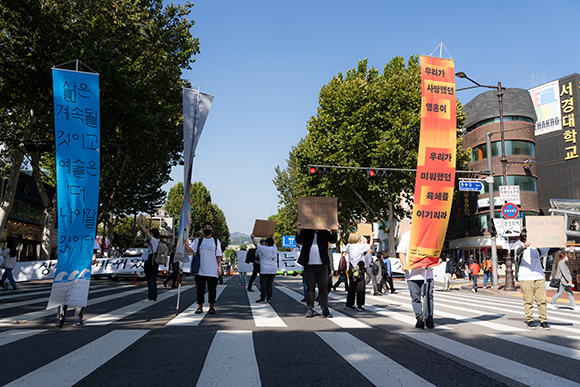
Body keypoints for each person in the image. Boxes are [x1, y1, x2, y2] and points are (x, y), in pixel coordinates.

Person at [397, 230, 439, 329]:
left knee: (429, 295)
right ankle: (419, 317)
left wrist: (437, 259)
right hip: (412, 273)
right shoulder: (407, 235)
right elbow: (401, 252)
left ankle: (429, 318)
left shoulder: (429, 234)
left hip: (427, 272)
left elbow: (435, 251)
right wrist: (404, 265)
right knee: (415, 296)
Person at [295, 221, 338, 318]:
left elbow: (333, 240)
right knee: (310, 287)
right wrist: (298, 228)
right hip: (309, 264)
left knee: (323, 287)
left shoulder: (324, 232)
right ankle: (310, 308)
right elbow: (298, 240)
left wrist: (335, 229)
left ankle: (325, 309)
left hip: (322, 264)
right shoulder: (306, 231)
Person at [56, 239, 99, 328]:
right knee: (64, 293)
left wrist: (94, 258)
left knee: (80, 292)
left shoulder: (89, 236)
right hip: (68, 266)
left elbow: (93, 250)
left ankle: (78, 317)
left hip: (83, 268)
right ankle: (60, 316)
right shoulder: (69, 234)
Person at [515, 230, 550, 330]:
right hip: (525, 278)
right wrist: (525, 246)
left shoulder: (537, 248)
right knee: (528, 300)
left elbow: (548, 251)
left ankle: (543, 321)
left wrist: (560, 247)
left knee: (542, 300)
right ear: (525, 237)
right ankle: (530, 320)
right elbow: (517, 252)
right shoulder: (519, 245)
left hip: (539, 276)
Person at [187, 222, 223, 314]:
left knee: (212, 290)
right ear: (203, 229)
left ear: (212, 230)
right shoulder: (198, 240)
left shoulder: (216, 241)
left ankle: (211, 307)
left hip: (212, 270)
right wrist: (184, 245)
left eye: (209, 227)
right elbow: (191, 250)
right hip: (200, 270)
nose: (207, 229)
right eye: (206, 227)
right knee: (200, 290)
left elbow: (218, 255)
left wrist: (219, 268)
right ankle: (200, 307)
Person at [345, 232, 372, 312]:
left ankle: (349, 304)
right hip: (359, 267)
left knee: (352, 286)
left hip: (351, 267)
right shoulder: (359, 246)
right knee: (360, 287)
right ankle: (359, 305)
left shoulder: (348, 246)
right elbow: (370, 245)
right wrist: (371, 236)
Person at [137, 215, 160, 303]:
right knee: (152, 279)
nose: (149, 235)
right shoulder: (156, 241)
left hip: (151, 262)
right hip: (153, 262)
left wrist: (140, 224)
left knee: (151, 280)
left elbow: (146, 232)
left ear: (153, 234)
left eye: (150, 233)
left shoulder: (154, 240)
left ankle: (152, 297)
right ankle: (153, 296)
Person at [251, 235, 278, 303]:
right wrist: (272, 238)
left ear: (267, 243)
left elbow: (256, 244)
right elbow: (274, 243)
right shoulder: (274, 248)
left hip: (265, 269)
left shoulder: (264, 249)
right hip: (273, 269)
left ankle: (263, 297)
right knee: (270, 284)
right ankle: (269, 297)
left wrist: (252, 238)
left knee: (263, 284)